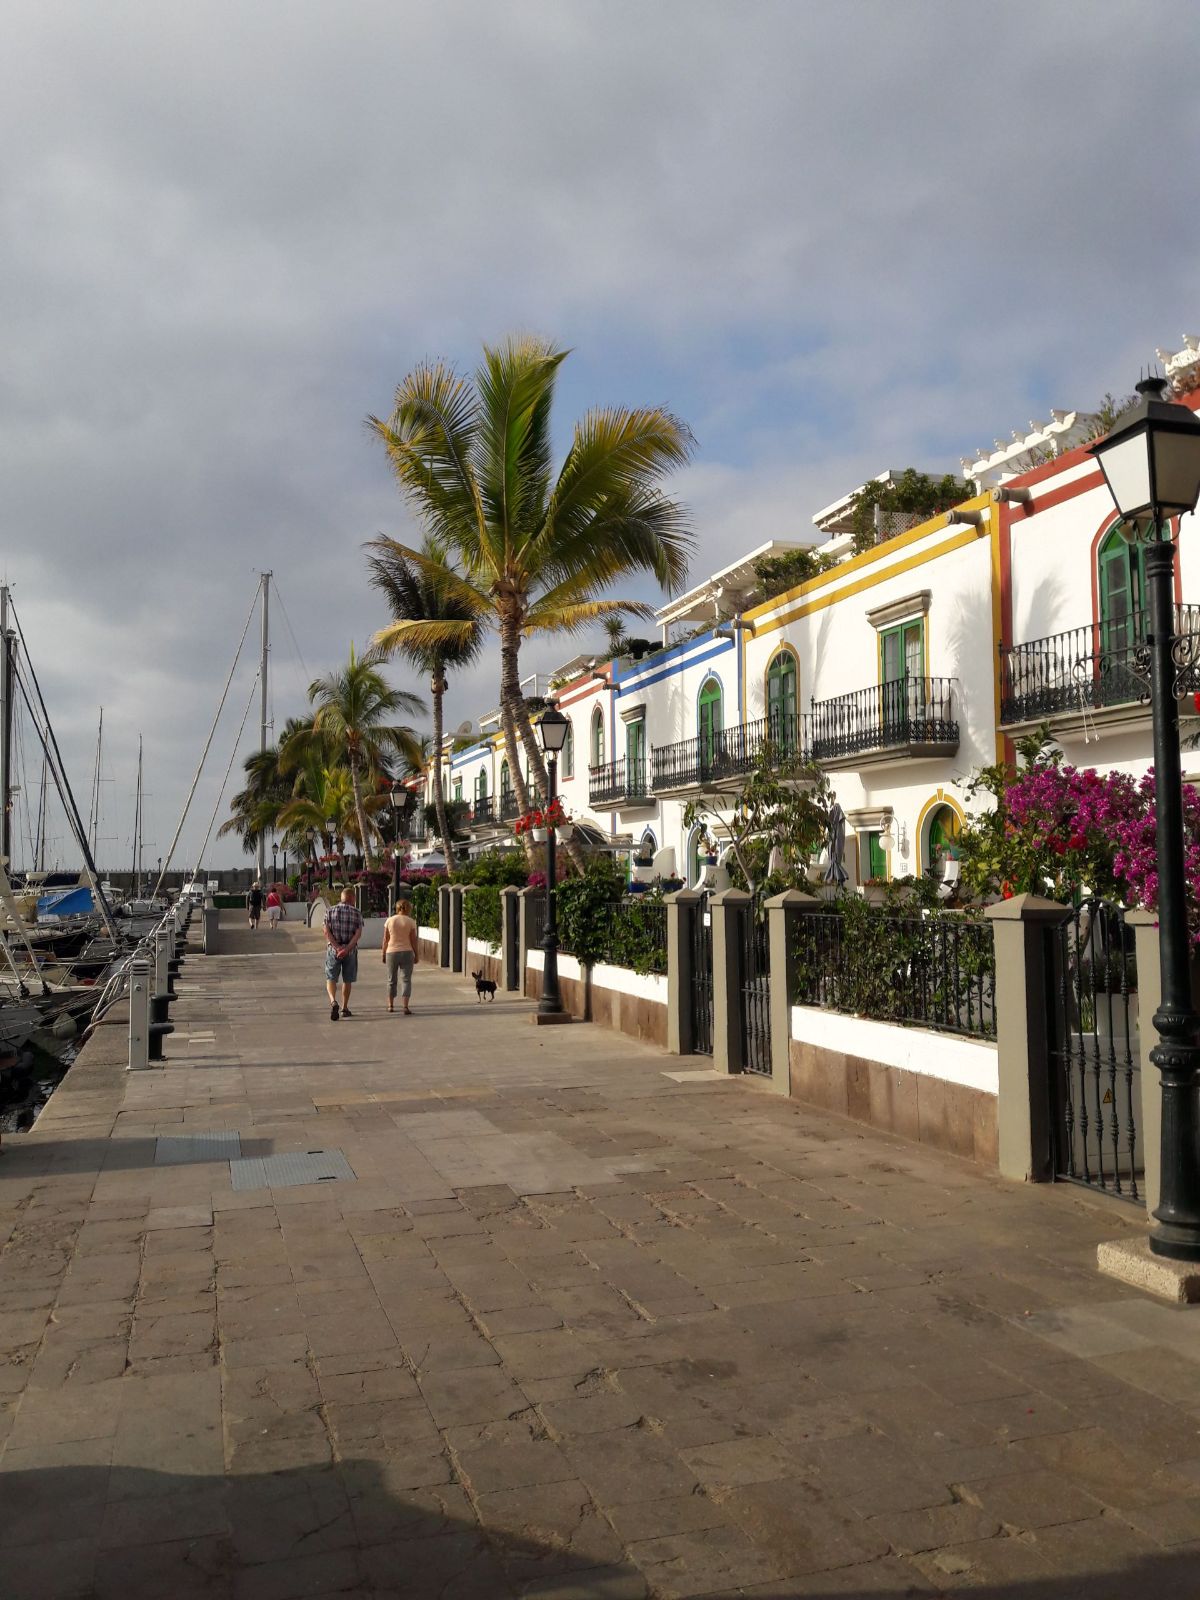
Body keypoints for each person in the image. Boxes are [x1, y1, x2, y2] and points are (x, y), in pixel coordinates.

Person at [324, 888, 364, 1020]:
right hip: (350, 950)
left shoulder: (329, 911)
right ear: (352, 898)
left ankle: (332, 1001)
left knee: (331, 978)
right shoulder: (357, 912)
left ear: (342, 897)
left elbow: (326, 932)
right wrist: (346, 949)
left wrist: (337, 947)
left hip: (333, 950)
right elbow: (358, 934)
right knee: (347, 979)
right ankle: (344, 1008)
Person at [381, 897, 419, 1015]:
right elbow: (413, 940)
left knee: (391, 979)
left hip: (391, 952)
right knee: (406, 980)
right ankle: (405, 1007)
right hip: (407, 952)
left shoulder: (389, 921)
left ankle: (390, 1005)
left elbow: (385, 939)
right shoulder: (411, 922)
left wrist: (383, 953)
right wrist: (416, 954)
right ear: (408, 908)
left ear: (396, 908)